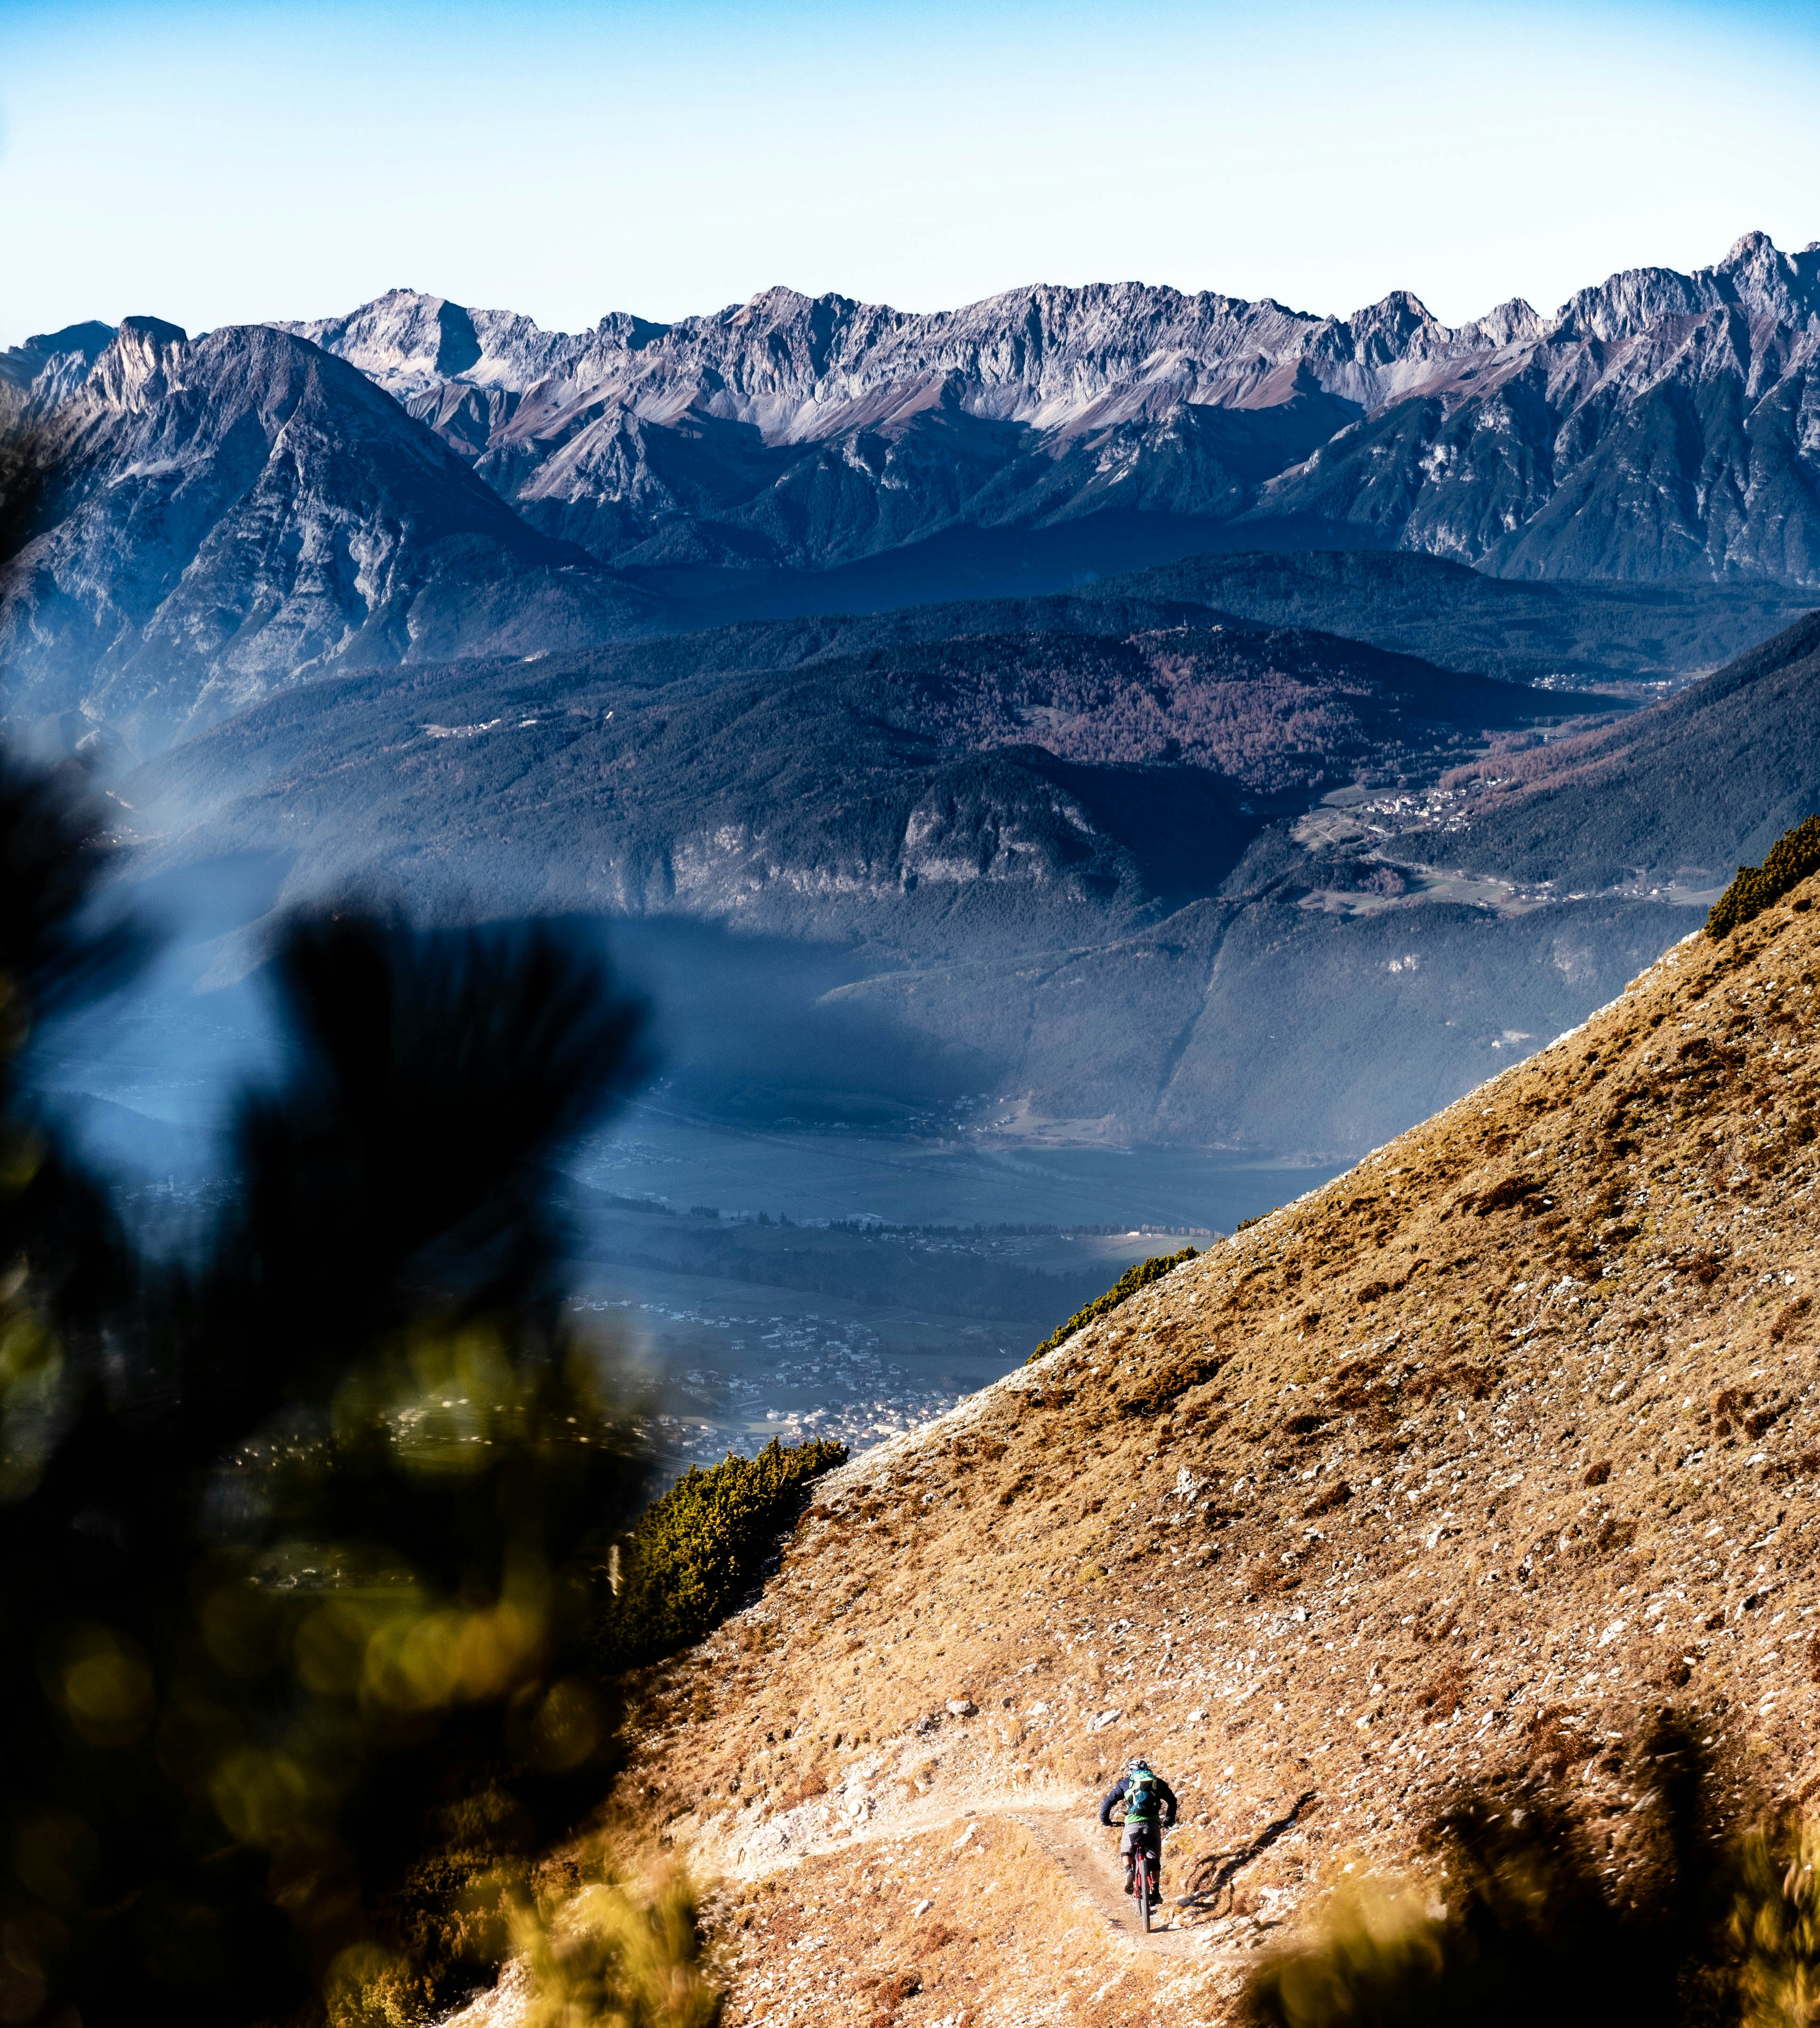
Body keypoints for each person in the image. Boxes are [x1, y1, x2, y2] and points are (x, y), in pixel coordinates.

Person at [1099, 1756, 1179, 1901]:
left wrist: (1106, 1820)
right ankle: (1155, 1888)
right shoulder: (1157, 1783)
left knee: (1126, 1850)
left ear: (1131, 1772)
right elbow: (1172, 1801)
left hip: (1133, 1824)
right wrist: (1169, 1819)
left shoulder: (1126, 1783)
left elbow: (1108, 1801)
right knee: (1154, 1859)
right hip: (1153, 1825)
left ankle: (1129, 1870)